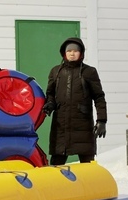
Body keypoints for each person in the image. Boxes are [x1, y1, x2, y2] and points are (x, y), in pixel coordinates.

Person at [42, 37, 107, 165]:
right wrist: (50, 104)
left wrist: (102, 120)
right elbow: (50, 93)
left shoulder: (89, 72)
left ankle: (88, 185)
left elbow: (99, 97)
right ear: (64, 53)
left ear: (81, 53)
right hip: (60, 125)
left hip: (83, 125)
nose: (72, 53)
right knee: (56, 165)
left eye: (76, 51)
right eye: (69, 51)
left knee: (87, 165)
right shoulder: (56, 72)